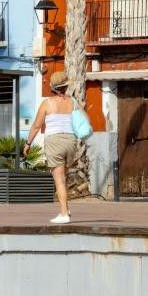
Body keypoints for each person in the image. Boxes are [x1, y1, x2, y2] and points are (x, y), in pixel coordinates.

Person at [27, 78, 84, 225]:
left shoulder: (47, 103)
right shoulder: (73, 102)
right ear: (66, 86)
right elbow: (82, 119)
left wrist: (28, 143)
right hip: (71, 141)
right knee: (63, 178)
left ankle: (64, 214)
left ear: (52, 87)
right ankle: (66, 209)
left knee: (59, 180)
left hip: (54, 142)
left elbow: (36, 126)